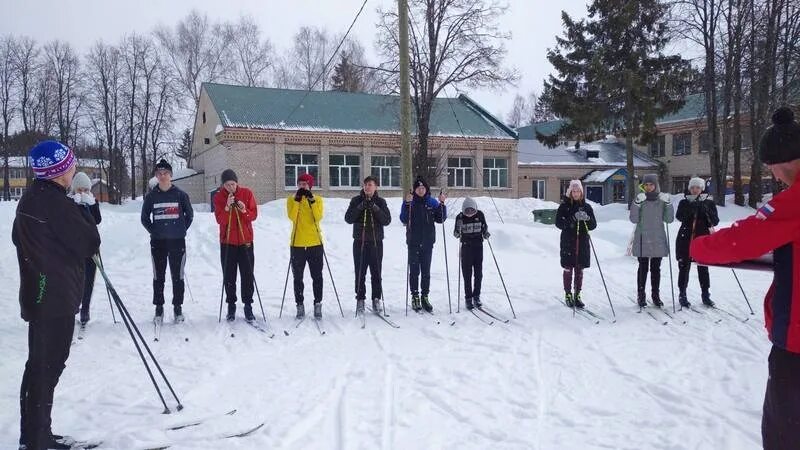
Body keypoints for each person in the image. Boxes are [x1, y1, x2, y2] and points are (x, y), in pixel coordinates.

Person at [691, 107, 800, 450]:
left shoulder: (792, 202)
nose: (773, 175)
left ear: (782, 162)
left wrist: (696, 248)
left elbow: (740, 239)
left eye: (771, 168)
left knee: (785, 433)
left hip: (796, 343)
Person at [13, 140, 101, 450]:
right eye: (70, 164)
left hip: (38, 296)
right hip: (55, 297)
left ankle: (33, 435)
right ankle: (39, 439)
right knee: (47, 367)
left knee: (37, 366)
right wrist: (85, 212)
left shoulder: (29, 200)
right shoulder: (56, 203)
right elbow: (89, 242)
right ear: (59, 171)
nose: (74, 168)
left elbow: (18, 238)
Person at [140, 159, 193, 323]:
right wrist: (154, 231)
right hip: (158, 243)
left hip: (177, 242)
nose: (163, 176)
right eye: (159, 174)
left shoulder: (180, 195)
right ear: (156, 176)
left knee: (178, 276)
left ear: (171, 175)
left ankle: (178, 308)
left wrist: (181, 230)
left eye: (165, 173)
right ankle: (159, 308)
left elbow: (189, 215)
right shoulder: (151, 196)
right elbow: (144, 218)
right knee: (159, 277)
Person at [213, 169, 258, 322]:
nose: (230, 187)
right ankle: (231, 305)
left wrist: (244, 210)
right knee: (229, 276)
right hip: (227, 243)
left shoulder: (247, 193)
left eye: (233, 184)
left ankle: (248, 306)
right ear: (223, 184)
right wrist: (226, 207)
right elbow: (220, 220)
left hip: (245, 242)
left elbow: (253, 216)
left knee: (247, 275)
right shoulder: (219, 197)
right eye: (227, 184)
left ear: (237, 182)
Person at [344, 176, 392, 314]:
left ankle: (376, 298)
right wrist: (360, 207)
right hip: (360, 242)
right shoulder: (356, 200)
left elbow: (387, 220)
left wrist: (375, 208)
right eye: (365, 185)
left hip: (376, 242)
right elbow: (348, 218)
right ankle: (360, 299)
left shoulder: (381, 202)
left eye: (370, 185)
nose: (367, 187)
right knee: (360, 272)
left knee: (376, 272)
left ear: (376, 187)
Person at [399, 176, 447, 312]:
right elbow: (403, 218)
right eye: (418, 188)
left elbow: (440, 218)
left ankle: (425, 296)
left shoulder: (431, 202)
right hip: (413, 242)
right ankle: (415, 296)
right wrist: (406, 204)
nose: (421, 190)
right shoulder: (410, 202)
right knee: (414, 271)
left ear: (426, 189)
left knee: (426, 272)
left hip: (427, 242)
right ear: (414, 190)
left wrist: (442, 204)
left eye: (423, 188)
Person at [629, 174, 675, 308]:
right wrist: (636, 204)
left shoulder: (661, 200)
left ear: (656, 185)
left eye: (651, 185)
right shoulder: (640, 199)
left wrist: (668, 204)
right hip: (643, 237)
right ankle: (641, 295)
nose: (649, 187)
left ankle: (656, 295)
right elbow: (634, 219)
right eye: (646, 185)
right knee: (643, 268)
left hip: (657, 238)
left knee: (656, 269)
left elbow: (669, 219)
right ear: (643, 186)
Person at [675, 177, 719, 308]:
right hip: (686, 238)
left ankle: (705, 295)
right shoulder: (684, 202)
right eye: (693, 188)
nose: (695, 190)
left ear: (702, 189)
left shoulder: (709, 202)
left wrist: (705, 210)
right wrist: (691, 208)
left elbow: (715, 221)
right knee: (684, 267)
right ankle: (682, 294)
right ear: (689, 189)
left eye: (698, 187)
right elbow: (680, 217)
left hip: (702, 239)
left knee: (703, 268)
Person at [286, 173, 324, 319]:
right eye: (300, 184)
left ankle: (318, 304)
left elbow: (318, 217)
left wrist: (311, 200)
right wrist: (297, 200)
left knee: (317, 276)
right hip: (297, 244)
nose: (302, 186)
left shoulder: (317, 199)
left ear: (310, 186)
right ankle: (299, 305)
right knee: (298, 277)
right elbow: (292, 217)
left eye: (305, 184)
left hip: (315, 243)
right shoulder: (291, 200)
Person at [555, 180, 597, 309]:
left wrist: (587, 219)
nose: (576, 193)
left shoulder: (587, 207)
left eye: (578, 191)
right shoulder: (564, 206)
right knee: (568, 268)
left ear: (581, 192)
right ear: (570, 192)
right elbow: (558, 223)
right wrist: (572, 219)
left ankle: (577, 294)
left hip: (582, 241)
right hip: (568, 241)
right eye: (573, 191)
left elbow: (593, 225)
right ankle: (568, 294)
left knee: (579, 268)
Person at [69, 172, 102, 325]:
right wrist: (74, 205)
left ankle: (85, 309)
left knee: (88, 280)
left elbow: (97, 220)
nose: (82, 193)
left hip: (90, 248)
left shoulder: (91, 202)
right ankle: (74, 307)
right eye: (79, 190)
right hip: (73, 249)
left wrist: (92, 205)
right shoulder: (68, 202)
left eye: (85, 189)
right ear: (74, 189)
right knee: (75, 280)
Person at [453, 197, 490, 310]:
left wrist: (485, 233)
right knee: (467, 275)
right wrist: (458, 231)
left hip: (478, 247)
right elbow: (455, 234)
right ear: (463, 210)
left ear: (475, 209)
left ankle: (476, 296)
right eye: (467, 211)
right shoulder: (460, 217)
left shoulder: (480, 215)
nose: (469, 213)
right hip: (466, 248)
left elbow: (485, 227)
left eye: (472, 210)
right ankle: (468, 298)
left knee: (478, 274)